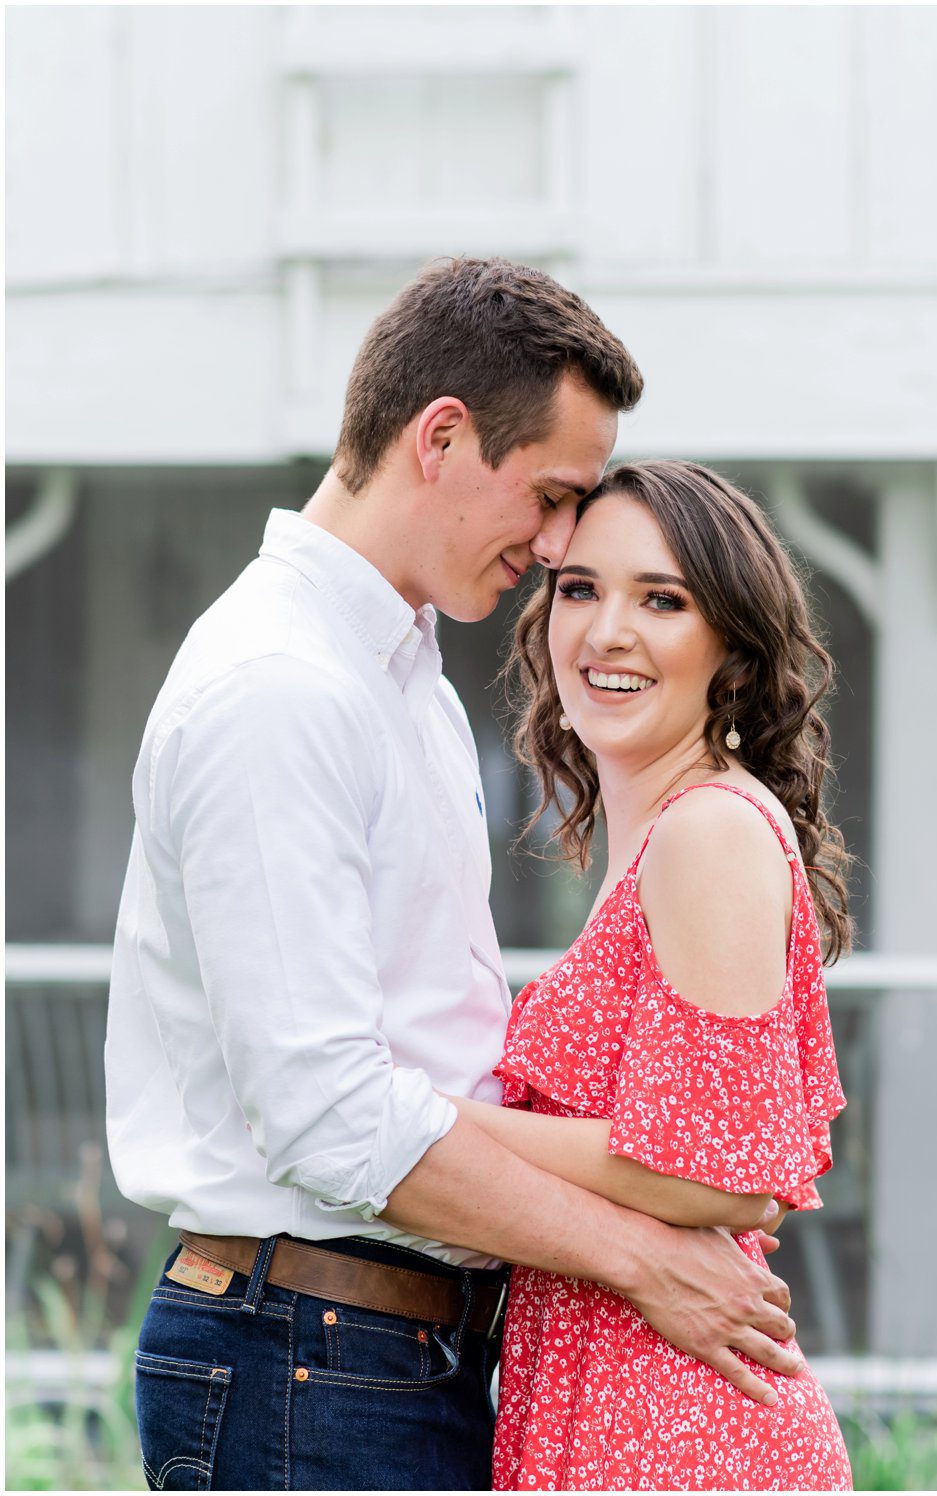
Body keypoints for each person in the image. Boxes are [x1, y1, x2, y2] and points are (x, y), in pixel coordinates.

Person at [107, 258, 805, 1492]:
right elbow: (327, 1106)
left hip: (387, 1351)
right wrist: (637, 1255)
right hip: (305, 1351)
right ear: (440, 437)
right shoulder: (281, 686)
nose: (550, 548)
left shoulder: (404, 677)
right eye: (548, 501)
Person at [446, 459, 853, 1488]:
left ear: (729, 645)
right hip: (615, 1391)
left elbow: (720, 1174)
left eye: (660, 599)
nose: (606, 630)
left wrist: (425, 1118)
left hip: (677, 1420)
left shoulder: (707, 829)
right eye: (578, 588)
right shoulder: (662, 832)